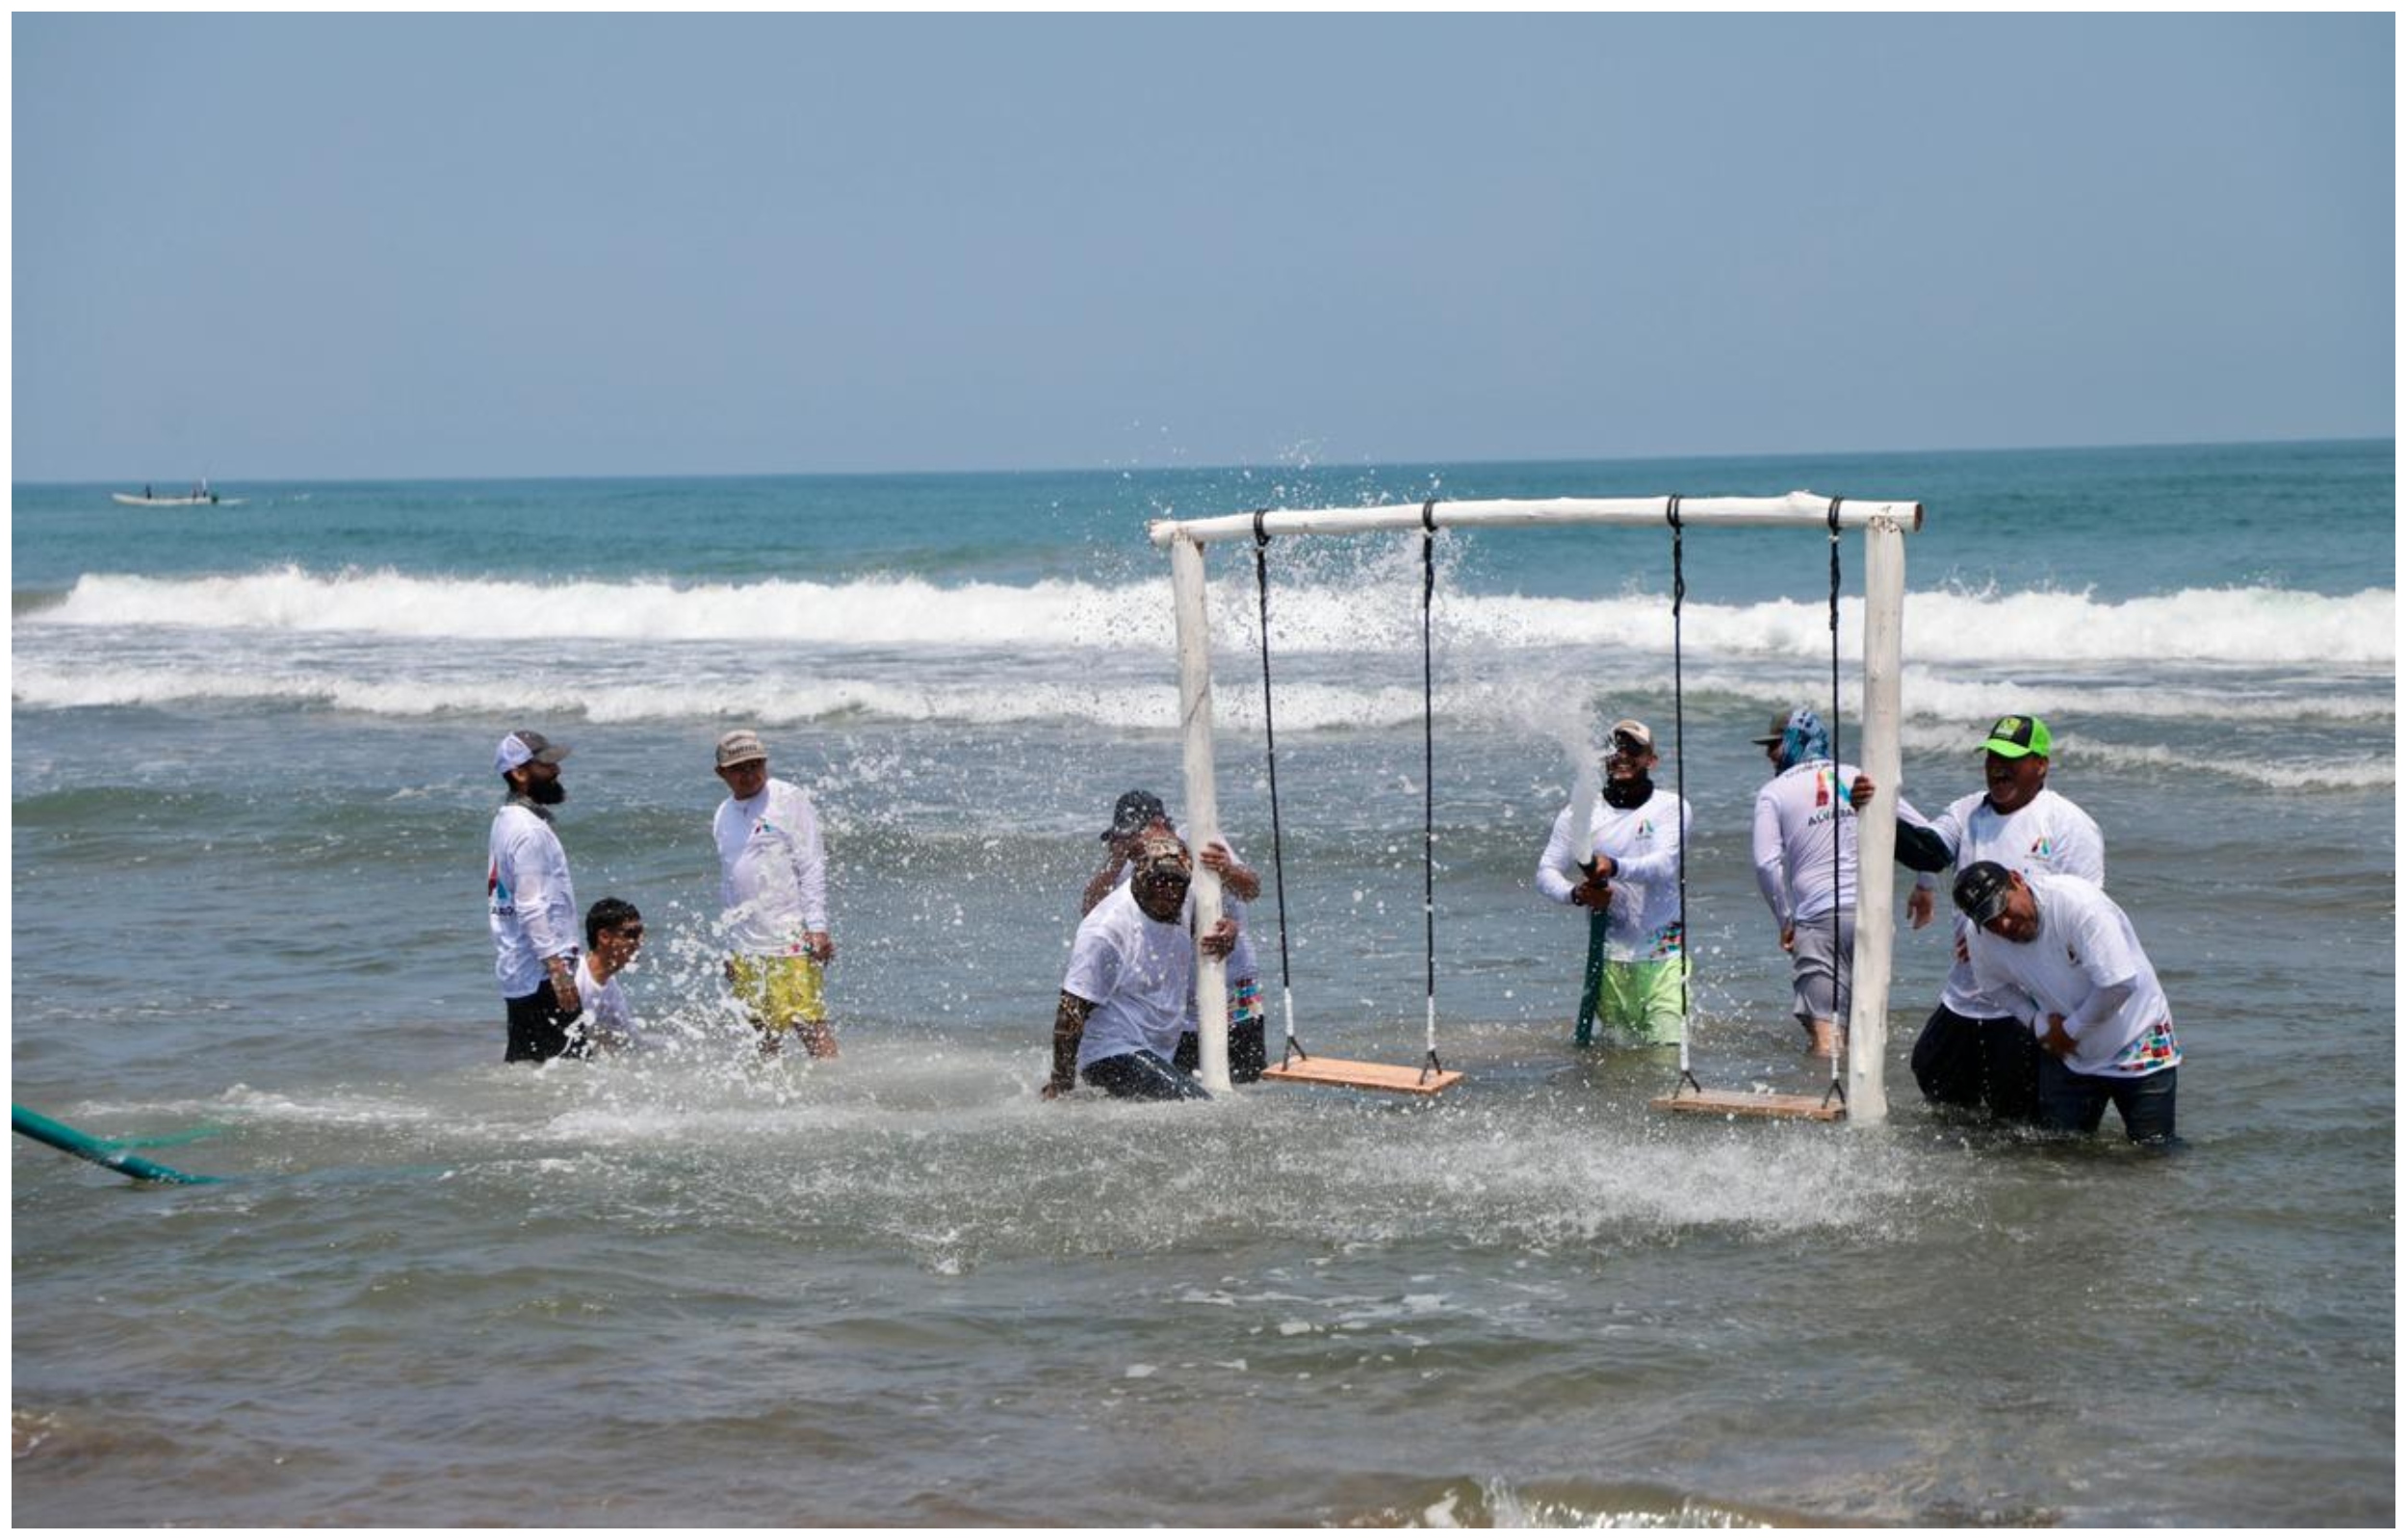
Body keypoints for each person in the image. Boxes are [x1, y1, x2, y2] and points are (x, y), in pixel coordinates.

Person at [1853, 713, 2104, 1123]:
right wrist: (1875, 812)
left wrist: (2000, 941)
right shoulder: (1969, 811)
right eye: (1990, 757)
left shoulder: (2069, 825)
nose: (1996, 767)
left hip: (2026, 1000)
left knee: (2019, 1120)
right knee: (1933, 1074)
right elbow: (1927, 853)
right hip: (1967, 993)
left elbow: (2084, 922)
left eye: (2010, 758)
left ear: (2041, 764)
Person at [1951, 861, 2181, 1146]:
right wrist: (2038, 1025)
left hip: (2138, 1039)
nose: (2004, 925)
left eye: (2004, 908)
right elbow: (1994, 987)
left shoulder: (2077, 904)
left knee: (2154, 1153)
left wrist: (2069, 1031)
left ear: (2017, 880)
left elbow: (2119, 983)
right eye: (1989, 921)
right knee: (2060, 1155)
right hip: (2067, 1054)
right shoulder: (1982, 937)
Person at [1749, 706, 1932, 1059]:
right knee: (1866, 1027)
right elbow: (1926, 834)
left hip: (1820, 921)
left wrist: (1785, 919)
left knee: (1826, 1037)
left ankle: (1833, 1107)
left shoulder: (1774, 792)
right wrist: (1924, 886)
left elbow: (1766, 863)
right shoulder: (1857, 777)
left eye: (1774, 744)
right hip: (1874, 918)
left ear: (1796, 740)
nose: (1769, 754)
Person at [1081, 788, 1266, 1083]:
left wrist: (1227, 870)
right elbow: (1090, 913)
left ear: (1159, 825)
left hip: (1231, 989)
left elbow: (1251, 888)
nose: (1134, 846)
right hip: (1176, 1009)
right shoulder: (1132, 866)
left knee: (1245, 1087)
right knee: (1185, 1099)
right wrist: (1115, 861)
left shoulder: (1200, 838)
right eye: (1124, 838)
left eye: (1135, 836)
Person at [1533, 718, 1693, 1046]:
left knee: (1667, 1055)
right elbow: (1545, 871)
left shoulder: (1671, 807)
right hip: (1607, 959)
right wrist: (1576, 894)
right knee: (1618, 1066)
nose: (1621, 755)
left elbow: (1664, 865)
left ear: (1651, 760)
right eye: (1614, 747)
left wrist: (1613, 866)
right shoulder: (1579, 812)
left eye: (1633, 748)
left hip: (1664, 955)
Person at [1046, 833, 1237, 1101]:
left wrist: (1229, 928)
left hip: (1159, 1047)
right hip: (1109, 1053)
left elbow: (1207, 920)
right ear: (1140, 878)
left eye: (1176, 883)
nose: (1168, 891)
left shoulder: (1184, 897)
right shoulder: (1107, 931)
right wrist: (1061, 1084)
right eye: (1159, 881)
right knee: (1198, 1106)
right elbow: (1071, 1010)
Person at [711, 729, 837, 1057]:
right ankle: (772, 1101)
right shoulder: (723, 814)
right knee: (761, 1034)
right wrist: (731, 945)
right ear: (721, 773)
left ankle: (836, 1094)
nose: (749, 773)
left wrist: (818, 927)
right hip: (747, 944)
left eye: (756, 764)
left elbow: (812, 864)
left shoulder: (787, 798)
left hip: (791, 938)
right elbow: (730, 882)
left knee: (809, 1024)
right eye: (739, 768)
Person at [487, 728, 584, 1063]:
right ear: (519, 773)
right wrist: (557, 971)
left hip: (521, 974)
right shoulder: (528, 830)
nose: (557, 771)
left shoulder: (506, 820)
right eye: (546, 765)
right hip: (541, 976)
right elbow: (530, 904)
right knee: (571, 1076)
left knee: (530, 1074)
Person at [573, 897, 646, 1054]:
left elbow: (632, 1039)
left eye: (641, 933)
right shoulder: (576, 979)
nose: (640, 942)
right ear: (604, 937)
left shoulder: (609, 984)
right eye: (631, 934)